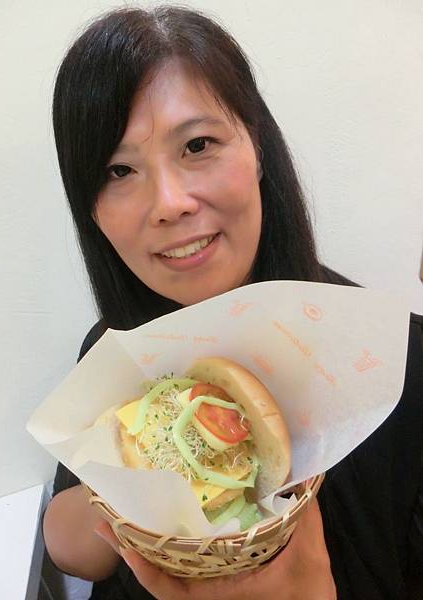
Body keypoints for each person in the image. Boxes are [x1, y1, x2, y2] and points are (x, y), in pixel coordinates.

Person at [42, 6, 423, 600]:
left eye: (198, 144)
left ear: (258, 147)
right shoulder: (118, 354)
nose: (169, 202)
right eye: (119, 170)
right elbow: (72, 551)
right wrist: (126, 485)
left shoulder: (398, 364)